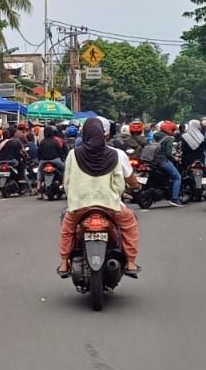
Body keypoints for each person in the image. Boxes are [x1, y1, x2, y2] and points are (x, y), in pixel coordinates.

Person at [57, 118, 142, 277]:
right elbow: (119, 183)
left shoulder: (73, 154)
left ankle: (63, 264)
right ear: (104, 134)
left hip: (80, 205)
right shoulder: (114, 154)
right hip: (109, 205)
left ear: (85, 134)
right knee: (129, 223)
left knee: (67, 229)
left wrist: (73, 198)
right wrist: (115, 195)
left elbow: (67, 182)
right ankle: (130, 262)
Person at [35, 125, 67, 199]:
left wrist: (40, 160)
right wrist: (61, 159)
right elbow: (60, 153)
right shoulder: (56, 141)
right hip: (56, 160)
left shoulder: (42, 142)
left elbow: (39, 153)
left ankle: (39, 188)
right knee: (65, 170)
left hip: (44, 161)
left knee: (39, 172)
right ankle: (64, 186)